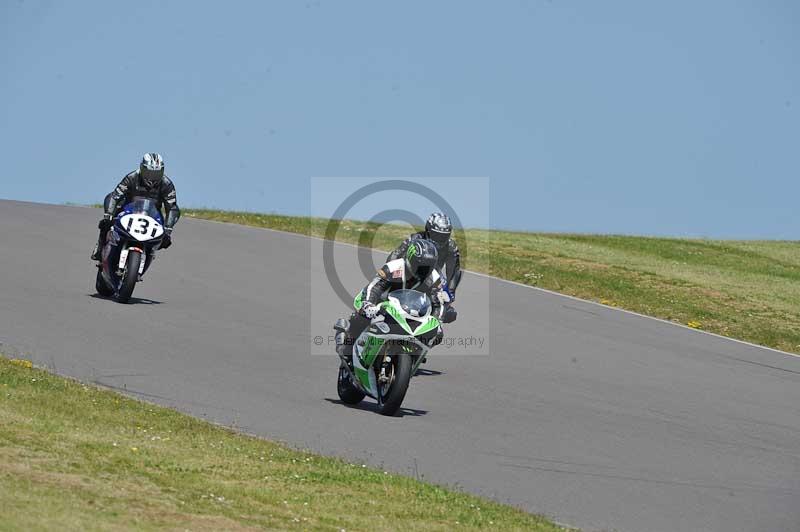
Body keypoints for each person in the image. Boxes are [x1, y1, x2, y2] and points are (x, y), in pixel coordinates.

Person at [335, 239, 448, 363]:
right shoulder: (394, 267)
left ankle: (415, 354)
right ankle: (347, 344)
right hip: (382, 303)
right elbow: (375, 287)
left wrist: (439, 320)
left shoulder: (434, 278)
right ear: (410, 259)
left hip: (412, 311)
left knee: (437, 334)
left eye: (428, 267)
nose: (423, 270)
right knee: (363, 316)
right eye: (420, 266)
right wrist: (368, 304)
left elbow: (438, 303)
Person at [91, 153, 181, 261]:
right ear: (142, 169)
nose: (152, 177)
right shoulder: (131, 177)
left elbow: (172, 208)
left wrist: (168, 230)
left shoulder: (167, 184)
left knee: (162, 238)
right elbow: (115, 196)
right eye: (148, 173)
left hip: (152, 216)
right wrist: (108, 216)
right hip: (128, 211)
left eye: (156, 174)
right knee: (106, 224)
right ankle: (100, 247)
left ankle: (149, 253)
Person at [387, 212, 462, 299]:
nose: (440, 239)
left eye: (444, 236)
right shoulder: (416, 238)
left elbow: (454, 271)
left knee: (447, 307)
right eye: (437, 235)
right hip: (408, 273)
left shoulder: (451, 247)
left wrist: (450, 291)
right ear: (428, 230)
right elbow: (396, 254)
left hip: (432, 277)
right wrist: (390, 272)